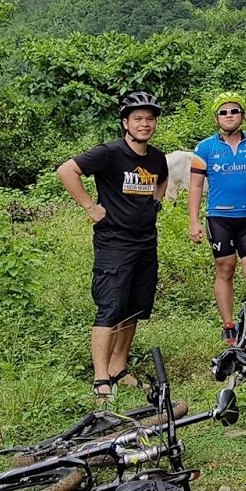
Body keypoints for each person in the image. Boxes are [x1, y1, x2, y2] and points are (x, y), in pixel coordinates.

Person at [56, 91, 169, 400]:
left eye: (149, 119)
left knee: (133, 308)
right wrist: (90, 207)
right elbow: (67, 170)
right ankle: (101, 378)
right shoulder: (109, 153)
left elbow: (161, 180)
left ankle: (119, 368)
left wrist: (155, 203)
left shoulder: (157, 158)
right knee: (110, 307)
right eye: (138, 119)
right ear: (125, 123)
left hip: (146, 242)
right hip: (114, 244)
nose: (144, 124)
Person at [187, 93, 246, 346]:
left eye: (234, 111)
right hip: (219, 217)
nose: (229, 116)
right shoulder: (205, 148)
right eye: (223, 112)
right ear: (216, 118)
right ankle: (229, 324)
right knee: (225, 269)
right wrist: (193, 221)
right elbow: (195, 186)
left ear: (243, 115)